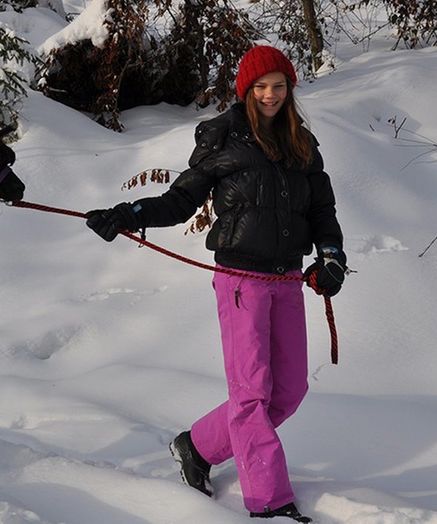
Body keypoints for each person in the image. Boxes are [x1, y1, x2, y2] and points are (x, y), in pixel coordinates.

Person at [86, 46, 347, 522]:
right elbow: (181, 199)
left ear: (290, 89)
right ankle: (268, 502)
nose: (270, 94)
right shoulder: (222, 136)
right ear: (245, 90)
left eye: (279, 85)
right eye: (260, 86)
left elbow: (321, 212)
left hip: (287, 279)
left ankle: (197, 446)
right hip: (240, 281)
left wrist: (330, 255)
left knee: (287, 393)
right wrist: (129, 215)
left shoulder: (302, 144)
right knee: (251, 395)